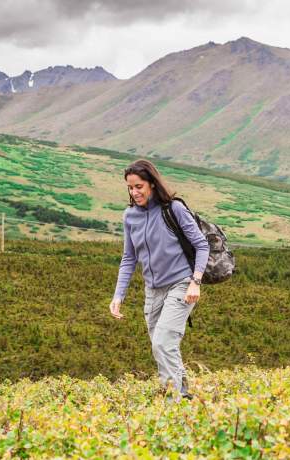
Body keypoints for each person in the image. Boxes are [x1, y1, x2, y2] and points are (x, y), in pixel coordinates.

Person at [109, 159, 209, 400]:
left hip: (182, 284)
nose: (135, 192)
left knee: (163, 342)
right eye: (130, 188)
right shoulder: (129, 216)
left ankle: (176, 400)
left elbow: (201, 245)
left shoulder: (173, 209)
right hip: (152, 290)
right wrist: (118, 295)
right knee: (160, 346)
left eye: (139, 186)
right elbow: (128, 258)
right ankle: (178, 394)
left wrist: (195, 281)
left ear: (152, 184)